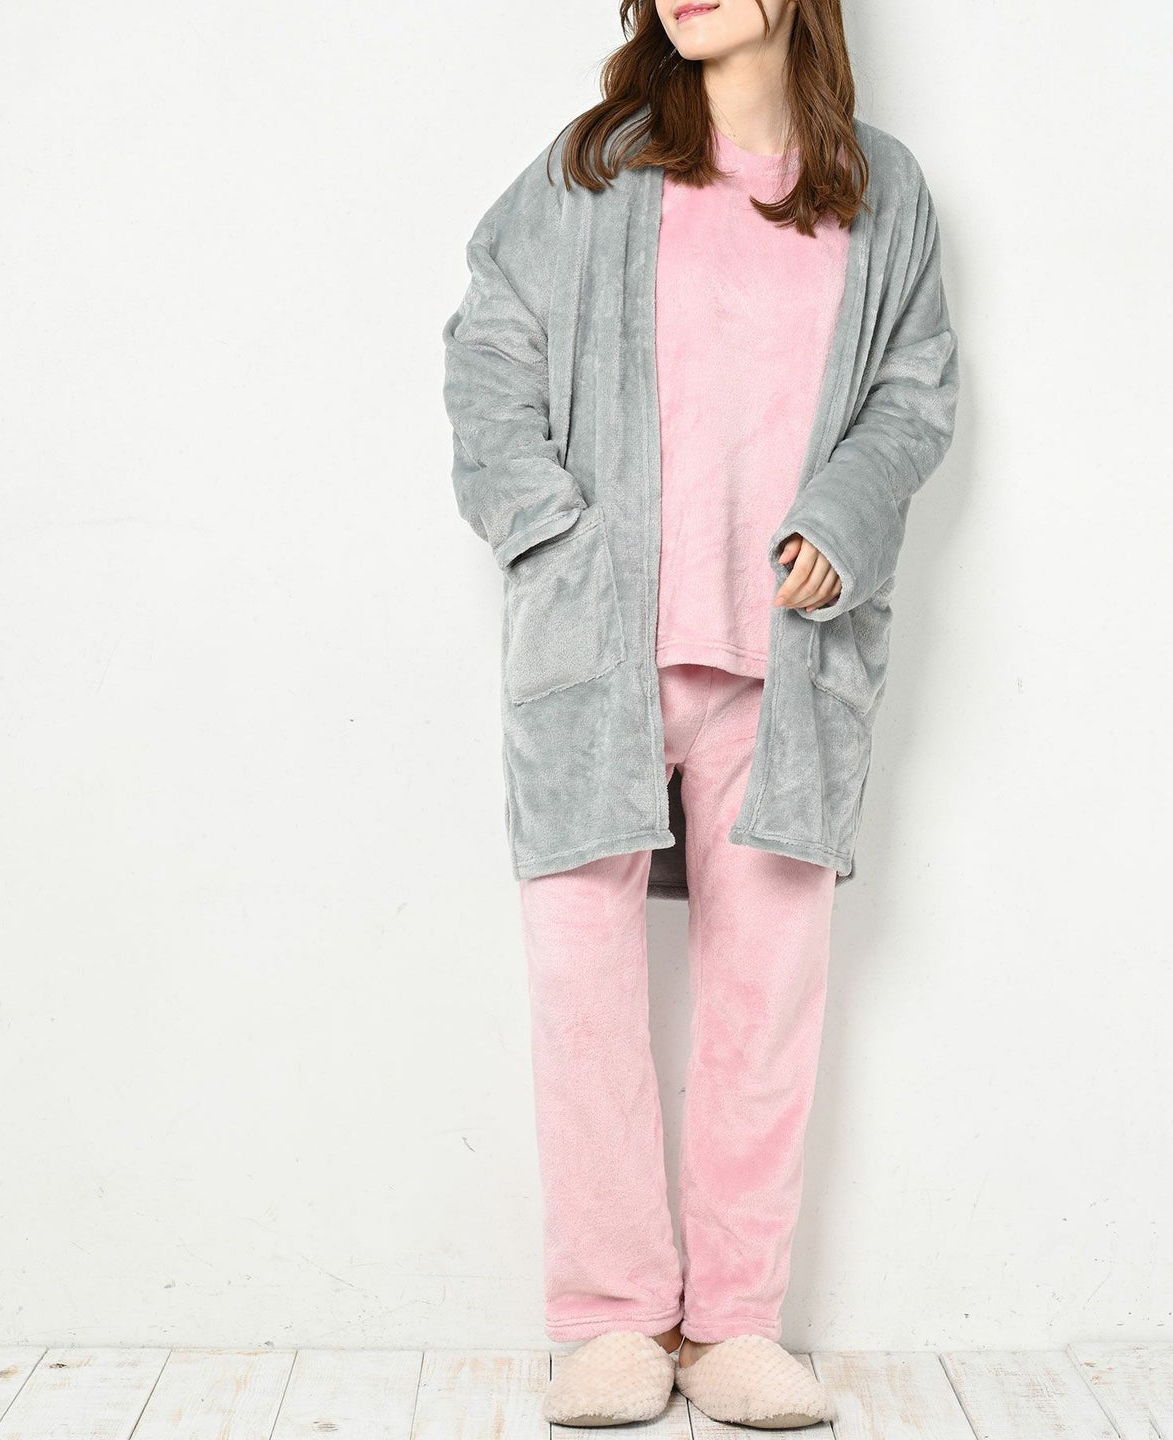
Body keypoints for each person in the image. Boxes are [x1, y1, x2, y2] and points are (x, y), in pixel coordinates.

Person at [442, 0, 960, 1427]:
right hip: (597, 644)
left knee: (766, 996)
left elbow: (912, 398)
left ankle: (733, 1321)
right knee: (582, 988)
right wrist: (548, 529)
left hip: (789, 657)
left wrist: (843, 519)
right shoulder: (596, 167)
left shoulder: (882, 189)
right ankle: (611, 1320)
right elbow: (488, 348)